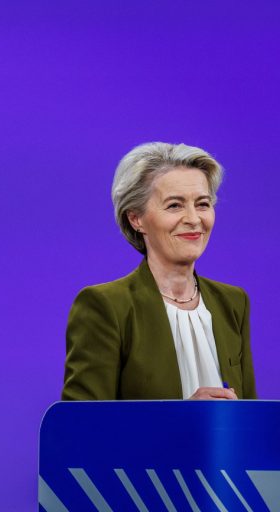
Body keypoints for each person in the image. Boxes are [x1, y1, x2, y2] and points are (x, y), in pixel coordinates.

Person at [62, 142, 257, 400]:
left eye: (202, 204)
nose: (193, 218)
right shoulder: (105, 306)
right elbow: (81, 430)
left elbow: (251, 419)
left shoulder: (233, 302)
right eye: (175, 205)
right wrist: (181, 421)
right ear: (136, 219)